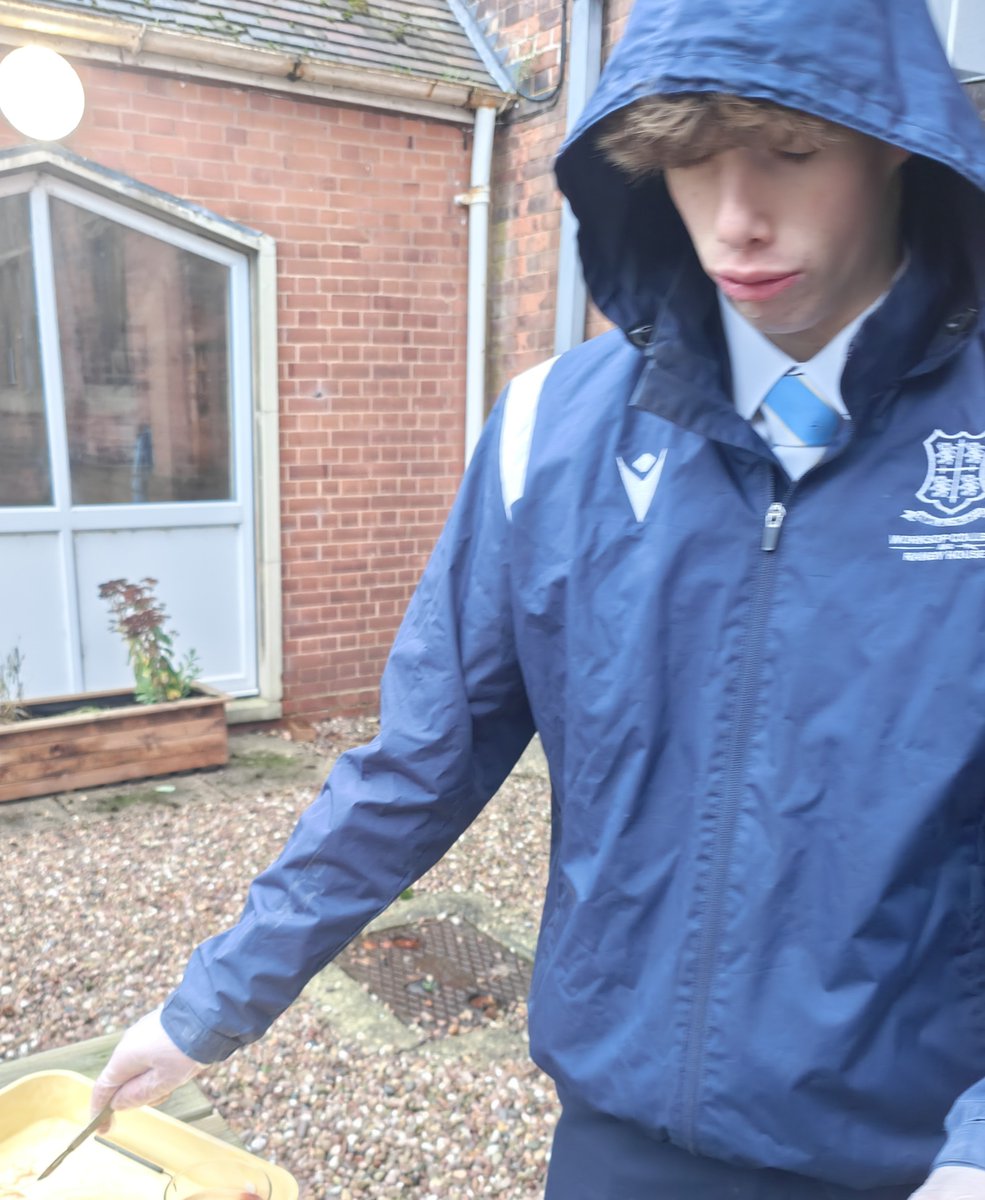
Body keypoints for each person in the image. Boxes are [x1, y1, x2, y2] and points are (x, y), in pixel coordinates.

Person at [91, 0, 985, 1195]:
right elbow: (420, 761)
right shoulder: (545, 436)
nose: (736, 216)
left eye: (790, 149)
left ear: (893, 140)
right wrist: (211, 1004)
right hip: (613, 1141)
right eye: (687, 157)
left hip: (912, 1155)